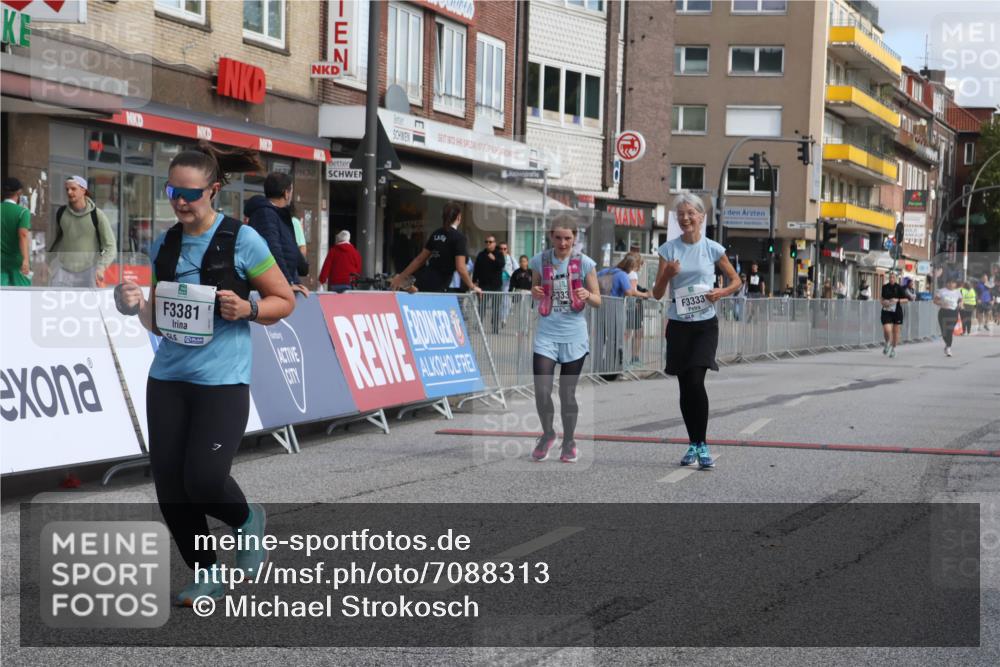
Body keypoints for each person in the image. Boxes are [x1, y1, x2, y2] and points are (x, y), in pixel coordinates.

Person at [113, 142, 296, 605]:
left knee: (204, 480)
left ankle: (247, 520)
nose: (179, 201)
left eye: (190, 193)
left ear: (213, 190)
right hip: (168, 379)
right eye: (172, 191)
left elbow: (285, 300)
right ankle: (206, 572)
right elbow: (158, 321)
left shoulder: (242, 239)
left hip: (221, 381)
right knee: (171, 488)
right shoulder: (166, 243)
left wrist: (249, 308)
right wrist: (132, 304)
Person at [652, 192, 741, 469]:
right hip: (679, 325)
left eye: (691, 213)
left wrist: (721, 292)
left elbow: (736, 280)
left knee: (695, 381)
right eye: (681, 214)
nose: (686, 218)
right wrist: (667, 275)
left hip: (704, 324)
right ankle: (693, 442)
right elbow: (657, 293)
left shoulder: (712, 248)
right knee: (684, 385)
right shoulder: (668, 250)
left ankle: (702, 445)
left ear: (702, 217)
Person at [529, 215, 601, 464]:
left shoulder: (584, 263)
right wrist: (535, 291)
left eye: (567, 238)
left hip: (574, 336)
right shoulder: (540, 261)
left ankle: (569, 441)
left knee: (566, 393)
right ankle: (548, 434)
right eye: (558, 238)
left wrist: (587, 294)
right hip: (547, 334)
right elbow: (535, 290)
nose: (563, 243)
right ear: (551, 236)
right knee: (542, 390)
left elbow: (598, 300)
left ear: (575, 238)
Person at [391, 202, 479, 295]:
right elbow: (460, 268)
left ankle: (409, 285)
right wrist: (473, 286)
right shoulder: (459, 238)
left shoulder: (436, 234)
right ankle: (409, 286)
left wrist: (401, 276)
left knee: (419, 297)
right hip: (440, 284)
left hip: (425, 276)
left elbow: (419, 260)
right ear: (459, 217)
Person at [245, 172, 309, 296]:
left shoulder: (279, 214)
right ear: (286, 193)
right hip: (273, 287)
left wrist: (302, 268)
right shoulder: (265, 214)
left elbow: (289, 246)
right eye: (291, 191)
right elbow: (273, 249)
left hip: (284, 283)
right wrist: (288, 282)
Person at [49, 175, 116, 287]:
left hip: (89, 273)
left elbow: (110, 246)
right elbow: (55, 242)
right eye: (67, 189)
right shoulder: (61, 213)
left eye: (73, 189)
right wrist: (47, 263)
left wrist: (101, 267)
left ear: (83, 190)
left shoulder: (97, 215)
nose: (69, 192)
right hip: (64, 272)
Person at [1, 177, 32, 286]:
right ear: (19, 192)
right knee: (22, 293)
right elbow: (23, 235)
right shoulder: (23, 212)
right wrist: (26, 260)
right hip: (17, 261)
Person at [473, 235, 506, 333]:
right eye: (486, 242)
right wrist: (474, 282)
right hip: (484, 286)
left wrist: (494, 259)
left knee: (496, 308)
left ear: (494, 243)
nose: (488, 244)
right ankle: (479, 326)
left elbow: (502, 265)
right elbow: (476, 269)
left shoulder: (499, 254)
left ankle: (495, 328)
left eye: (490, 242)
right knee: (482, 306)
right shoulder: (481, 254)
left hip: (496, 286)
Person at [880, 272, 908, 357]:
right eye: (890, 277)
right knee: (887, 329)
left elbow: (906, 300)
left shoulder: (899, 288)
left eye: (893, 277)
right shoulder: (885, 287)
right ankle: (887, 342)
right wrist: (883, 302)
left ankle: (893, 349)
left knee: (896, 333)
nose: (891, 279)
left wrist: (897, 300)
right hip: (886, 311)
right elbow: (881, 298)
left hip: (897, 312)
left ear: (896, 278)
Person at [933, 277, 963, 357]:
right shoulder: (942, 291)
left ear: (955, 284)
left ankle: (948, 347)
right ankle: (947, 344)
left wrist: (960, 304)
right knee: (944, 332)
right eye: (949, 283)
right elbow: (935, 300)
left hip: (953, 313)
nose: (951, 284)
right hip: (943, 312)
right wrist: (941, 303)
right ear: (946, 283)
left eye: (953, 283)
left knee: (950, 330)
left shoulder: (957, 292)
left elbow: (961, 299)